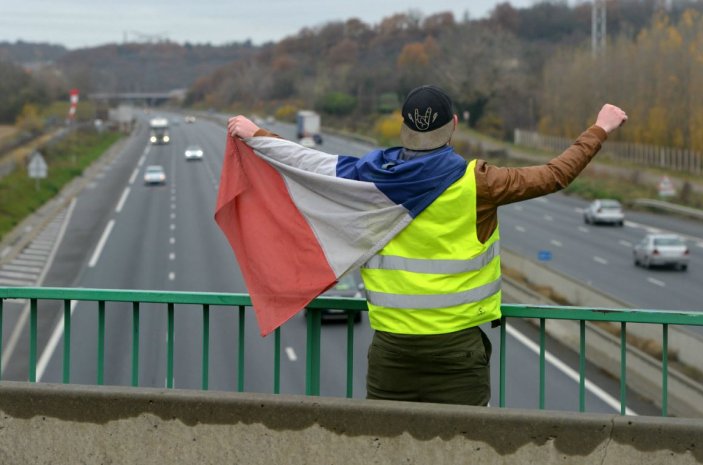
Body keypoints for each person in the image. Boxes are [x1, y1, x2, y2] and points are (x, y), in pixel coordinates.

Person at [227, 85, 627, 406]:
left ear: (403, 127)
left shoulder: (368, 178)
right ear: (453, 125)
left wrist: (257, 135)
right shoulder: (479, 183)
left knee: (386, 448)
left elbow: (305, 162)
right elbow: (555, 175)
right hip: (458, 351)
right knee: (462, 448)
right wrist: (600, 128)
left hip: (391, 350)